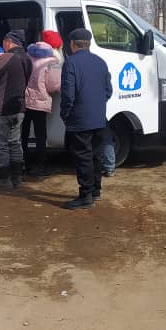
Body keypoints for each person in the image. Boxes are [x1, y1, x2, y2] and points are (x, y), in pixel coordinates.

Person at [60, 28, 112, 210]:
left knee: (83, 157)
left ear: (72, 44)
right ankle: (96, 191)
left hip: (80, 119)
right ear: (88, 43)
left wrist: (65, 114)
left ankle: (86, 196)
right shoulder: (100, 62)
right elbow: (108, 91)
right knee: (96, 155)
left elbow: (68, 94)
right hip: (99, 118)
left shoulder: (70, 63)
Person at [0, 29, 33, 189]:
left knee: (0, 145)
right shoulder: (27, 58)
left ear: (9, 41)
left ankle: (3, 179)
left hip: (1, 108)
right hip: (19, 107)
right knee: (15, 143)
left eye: (3, 41)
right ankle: (16, 178)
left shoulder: (7, 57)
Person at [21, 34, 62, 177]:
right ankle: (41, 166)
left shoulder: (27, 56)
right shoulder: (52, 61)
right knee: (40, 135)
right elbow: (53, 85)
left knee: (23, 134)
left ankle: (24, 164)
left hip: (25, 99)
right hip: (40, 101)